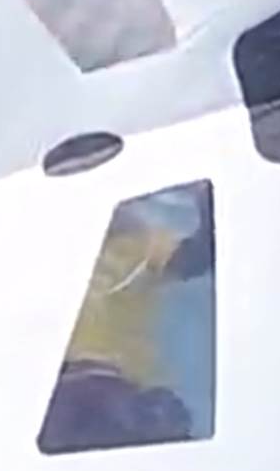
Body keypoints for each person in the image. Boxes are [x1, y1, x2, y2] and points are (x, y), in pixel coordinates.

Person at [38, 187, 213, 453]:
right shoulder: (51, 254)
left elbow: (196, 256)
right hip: (73, 385)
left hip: (115, 381)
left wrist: (206, 198)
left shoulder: (141, 244)